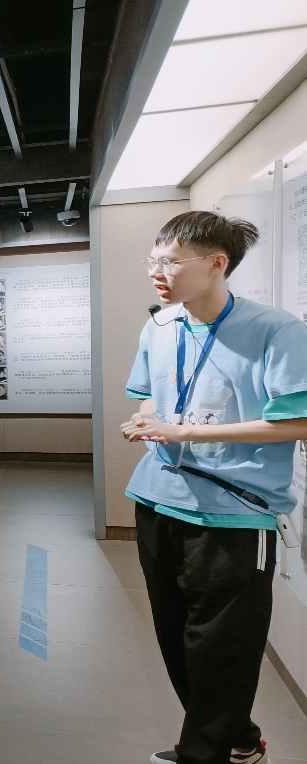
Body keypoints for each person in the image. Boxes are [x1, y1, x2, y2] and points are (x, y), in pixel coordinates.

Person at [120, 211, 307, 764]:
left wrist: (185, 431)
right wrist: (148, 420)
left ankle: (204, 753)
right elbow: (146, 394)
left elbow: (298, 421)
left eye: (170, 262)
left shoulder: (276, 329)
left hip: (235, 510)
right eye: (153, 261)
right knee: (176, 635)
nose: (156, 273)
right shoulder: (160, 326)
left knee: (222, 645)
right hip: (159, 497)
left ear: (217, 263)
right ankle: (239, 740)